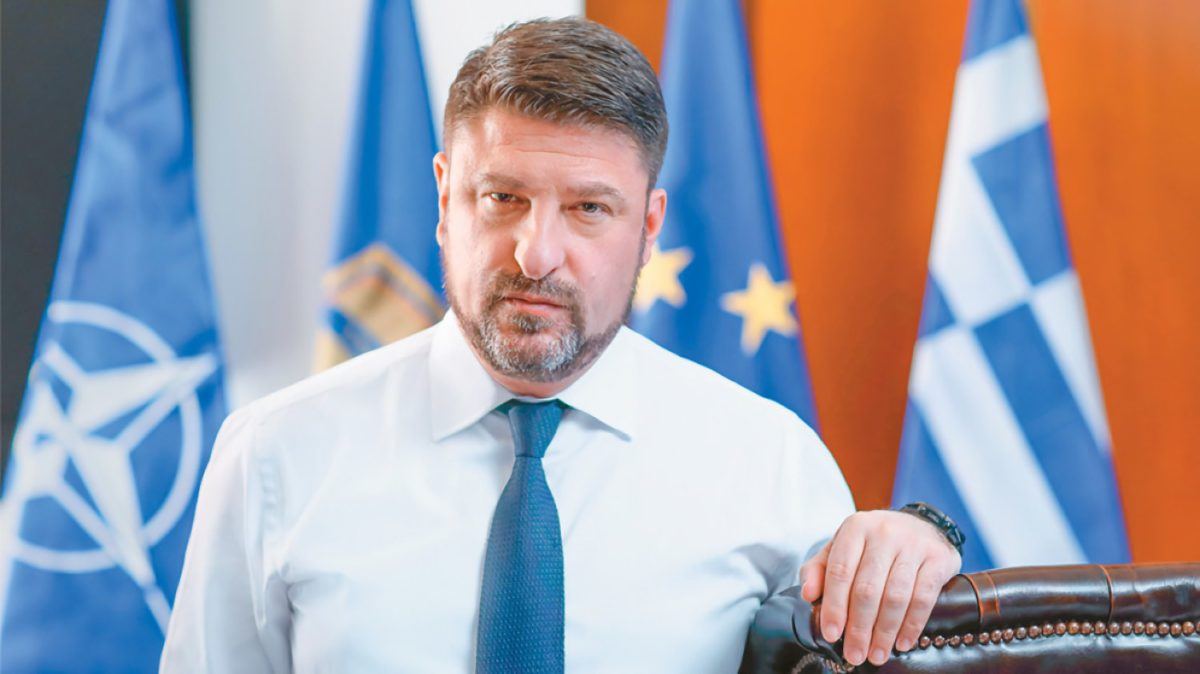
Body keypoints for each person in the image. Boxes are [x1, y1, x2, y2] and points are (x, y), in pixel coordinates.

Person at [161, 17, 960, 673]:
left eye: (588, 209)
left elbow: (871, 607)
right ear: (445, 198)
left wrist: (920, 536)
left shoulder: (770, 462)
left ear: (649, 227)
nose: (536, 254)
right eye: (502, 198)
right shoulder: (274, 454)